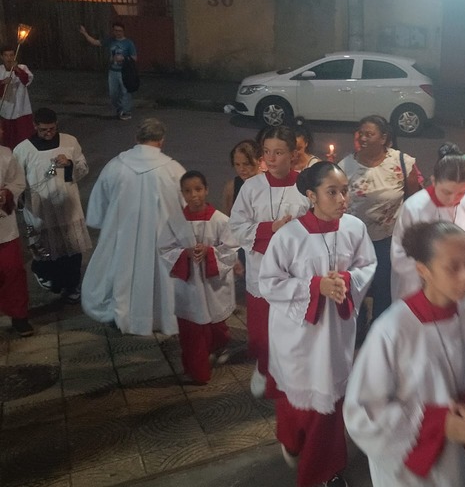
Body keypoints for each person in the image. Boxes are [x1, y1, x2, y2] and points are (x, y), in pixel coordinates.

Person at [344, 221, 465, 486]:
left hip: (458, 461)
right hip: (408, 473)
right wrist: (439, 423)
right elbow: (363, 412)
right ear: (423, 270)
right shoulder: (393, 330)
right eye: (452, 268)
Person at [260, 162, 377, 487]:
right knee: (298, 398)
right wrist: (315, 286)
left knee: (328, 405)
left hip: (335, 331)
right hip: (298, 334)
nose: (342, 199)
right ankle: (292, 438)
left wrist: (347, 280)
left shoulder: (354, 228)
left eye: (345, 191)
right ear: (311, 195)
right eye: (332, 192)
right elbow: (268, 282)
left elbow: (367, 264)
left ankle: (324, 471)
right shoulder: (289, 236)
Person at [82, 118, 188, 335]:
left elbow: (98, 209)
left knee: (123, 276)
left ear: (136, 138)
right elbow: (187, 209)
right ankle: (162, 318)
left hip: (122, 238)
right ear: (161, 140)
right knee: (161, 279)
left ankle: (122, 316)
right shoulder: (173, 170)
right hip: (162, 238)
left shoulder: (115, 166)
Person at [229, 125, 309, 400]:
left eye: (279, 152)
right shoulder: (252, 187)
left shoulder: (306, 187)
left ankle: (291, 375)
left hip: (295, 271)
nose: (271, 159)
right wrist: (270, 229)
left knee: (293, 328)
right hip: (261, 270)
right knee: (263, 329)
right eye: (266, 152)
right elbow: (236, 226)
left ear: (293, 154)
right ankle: (263, 368)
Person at [339, 115, 421, 323]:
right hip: (354, 241)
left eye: (369, 134)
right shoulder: (345, 166)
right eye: (361, 133)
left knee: (384, 289)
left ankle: (380, 329)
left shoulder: (402, 163)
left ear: (383, 138)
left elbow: (415, 200)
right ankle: (355, 329)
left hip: (388, 240)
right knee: (355, 288)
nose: (363, 138)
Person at [391, 144, 465, 301]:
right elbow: (400, 252)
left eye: (461, 193)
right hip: (423, 287)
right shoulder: (414, 207)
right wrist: (434, 276)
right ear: (434, 181)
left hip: (462, 284)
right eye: (446, 192)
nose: (453, 199)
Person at [160, 171, 238, 385]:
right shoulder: (175, 222)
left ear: (206, 190)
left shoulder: (220, 220)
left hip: (212, 285)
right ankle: (198, 372)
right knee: (192, 330)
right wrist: (184, 254)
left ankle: (217, 346)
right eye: (187, 191)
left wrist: (210, 252)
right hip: (189, 286)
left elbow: (231, 249)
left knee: (215, 325)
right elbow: (164, 249)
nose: (193, 195)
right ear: (182, 194)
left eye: (198, 189)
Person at [13, 108, 91, 303]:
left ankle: (72, 286)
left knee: (72, 251)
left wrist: (70, 164)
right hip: (40, 208)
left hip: (67, 205)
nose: (48, 133)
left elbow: (83, 168)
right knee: (46, 251)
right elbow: (16, 180)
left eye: (52, 129)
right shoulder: (23, 150)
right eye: (44, 130)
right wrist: (18, 199)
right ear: (35, 126)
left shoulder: (69, 141)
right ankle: (47, 276)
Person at [0, 124, 32, 336]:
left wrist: (7, 194)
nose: (2, 133)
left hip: (4, 228)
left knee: (13, 271)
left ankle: (19, 316)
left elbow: (18, 181)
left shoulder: (5, 154)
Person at [79, 21, 137, 121]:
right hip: (113, 71)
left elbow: (134, 58)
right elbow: (95, 42)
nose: (118, 33)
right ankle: (120, 109)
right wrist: (85, 33)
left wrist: (123, 58)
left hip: (125, 71)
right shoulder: (110, 41)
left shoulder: (128, 43)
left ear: (123, 31)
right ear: (113, 31)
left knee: (125, 92)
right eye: (116, 31)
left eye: (120, 31)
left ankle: (126, 111)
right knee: (113, 94)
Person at [0, 44, 34, 150]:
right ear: (2, 57)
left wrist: (17, 70)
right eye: (6, 55)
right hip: (6, 110)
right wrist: (2, 83)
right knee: (8, 140)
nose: (9, 58)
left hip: (21, 109)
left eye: (11, 55)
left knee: (24, 138)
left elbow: (27, 80)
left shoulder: (22, 67)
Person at [222, 140, 261, 217]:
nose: (241, 169)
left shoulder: (270, 184)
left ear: (259, 161)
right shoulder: (231, 187)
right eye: (237, 164)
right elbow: (227, 218)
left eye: (246, 164)